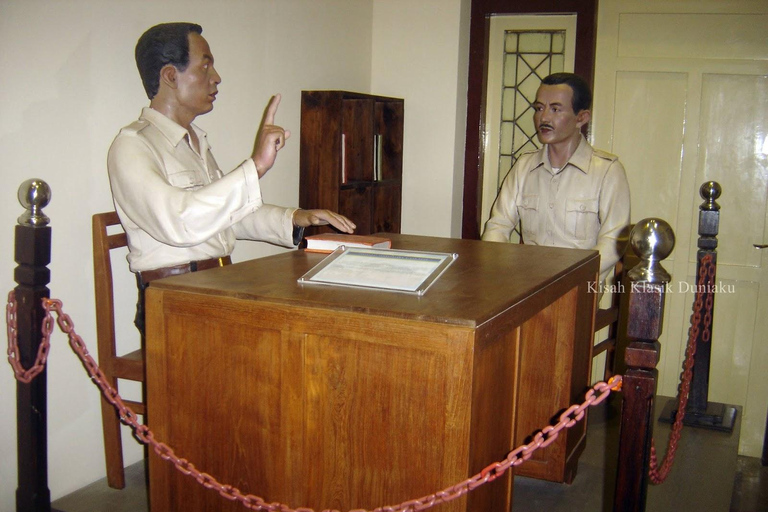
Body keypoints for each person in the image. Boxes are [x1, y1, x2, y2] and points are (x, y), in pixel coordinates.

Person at [107, 22, 356, 332]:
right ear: (170, 75)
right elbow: (180, 222)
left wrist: (296, 218)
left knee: (304, 324)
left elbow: (225, 216)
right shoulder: (133, 145)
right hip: (173, 301)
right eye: (206, 65)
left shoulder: (193, 142)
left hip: (215, 286)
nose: (217, 77)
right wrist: (256, 166)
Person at [482, 72, 630, 287]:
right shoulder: (524, 167)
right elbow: (498, 225)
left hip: (578, 289)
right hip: (526, 286)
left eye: (555, 109)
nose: (544, 118)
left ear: (582, 117)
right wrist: (500, 271)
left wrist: (571, 280)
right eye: (539, 108)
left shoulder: (607, 171)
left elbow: (614, 240)